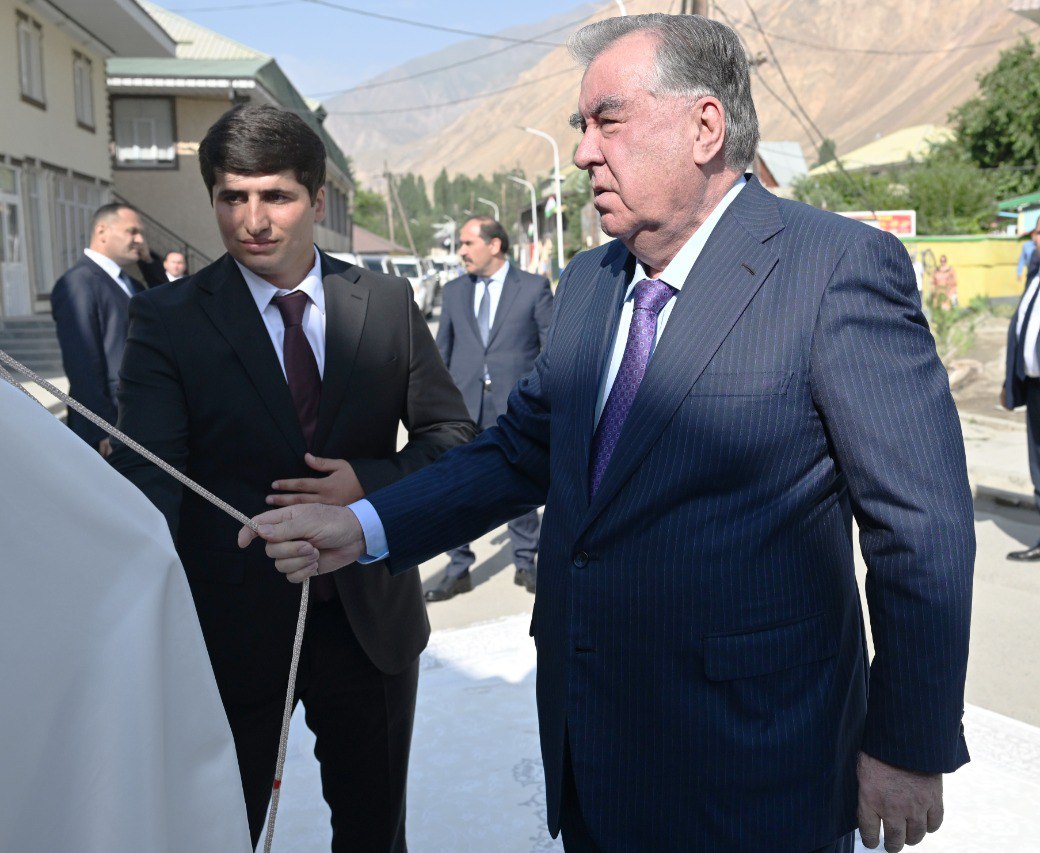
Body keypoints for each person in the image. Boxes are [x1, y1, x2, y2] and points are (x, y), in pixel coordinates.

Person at [242, 14, 973, 853]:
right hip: (595, 750)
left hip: (758, 763)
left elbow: (919, 526)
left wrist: (907, 743)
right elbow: (520, 449)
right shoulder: (591, 281)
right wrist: (363, 524)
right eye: (579, 127)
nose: (584, 152)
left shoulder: (834, 269)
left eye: (608, 121)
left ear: (705, 126)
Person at [110, 104, 474, 850]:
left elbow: (453, 440)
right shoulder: (167, 320)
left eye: (275, 195)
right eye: (231, 197)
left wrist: (365, 483)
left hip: (368, 623)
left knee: (374, 834)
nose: (252, 220)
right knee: (224, 831)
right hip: (230, 633)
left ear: (317, 198)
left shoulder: (386, 304)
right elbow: (151, 483)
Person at [425, 216, 553, 601]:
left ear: (494, 245)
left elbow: (552, 349)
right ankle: (458, 567)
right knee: (454, 489)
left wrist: (538, 398)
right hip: (462, 408)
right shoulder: (454, 291)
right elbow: (441, 353)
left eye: (467, 243)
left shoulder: (532, 288)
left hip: (515, 406)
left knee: (518, 484)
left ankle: (526, 561)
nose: (461, 251)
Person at [51, 203, 147, 456]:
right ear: (102, 231)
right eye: (132, 231)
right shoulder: (78, 283)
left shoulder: (130, 283)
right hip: (109, 426)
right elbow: (82, 361)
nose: (140, 240)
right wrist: (101, 426)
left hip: (136, 415)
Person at [1002, 248, 1040, 560]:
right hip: (1035, 388)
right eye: (1037, 232)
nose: (1037, 239)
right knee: (1038, 467)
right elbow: (1022, 330)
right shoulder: (1035, 278)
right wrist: (1009, 383)